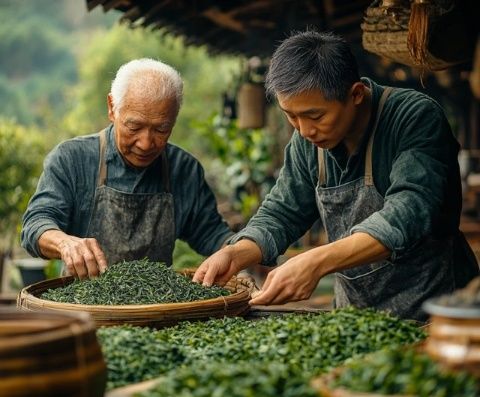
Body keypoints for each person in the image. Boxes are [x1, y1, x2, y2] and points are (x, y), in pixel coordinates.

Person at [193, 31, 479, 321]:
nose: (304, 131)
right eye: (291, 116)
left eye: (315, 116)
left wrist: (316, 262)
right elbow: (282, 212)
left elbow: (408, 213)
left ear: (355, 94)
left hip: (440, 312)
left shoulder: (413, 118)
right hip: (354, 317)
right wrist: (238, 252)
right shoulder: (307, 143)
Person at [22, 58, 233, 279]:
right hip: (83, 307)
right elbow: (35, 224)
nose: (145, 143)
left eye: (161, 129)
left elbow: (211, 233)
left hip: (156, 306)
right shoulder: (71, 159)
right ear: (112, 108)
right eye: (134, 126)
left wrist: (238, 253)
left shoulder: (184, 169)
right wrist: (64, 243)